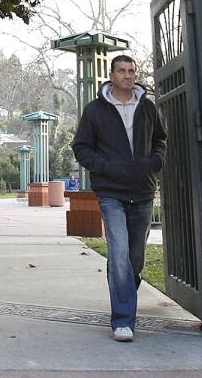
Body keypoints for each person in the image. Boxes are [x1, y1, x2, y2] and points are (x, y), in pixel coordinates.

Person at [71, 55, 166, 343]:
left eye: (131, 71)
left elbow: (160, 140)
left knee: (134, 258)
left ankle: (123, 295)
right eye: (121, 71)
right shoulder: (96, 110)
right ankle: (123, 319)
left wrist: (152, 163)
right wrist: (108, 168)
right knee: (120, 252)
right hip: (111, 193)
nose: (127, 75)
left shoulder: (147, 108)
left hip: (143, 190)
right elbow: (81, 147)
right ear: (111, 75)